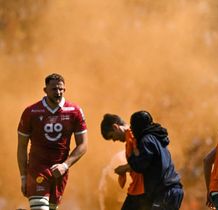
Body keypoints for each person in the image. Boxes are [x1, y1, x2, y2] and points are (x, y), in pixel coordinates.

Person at [17, 73, 88, 210]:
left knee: (51, 208)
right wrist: (24, 177)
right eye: (54, 89)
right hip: (37, 169)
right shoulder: (31, 112)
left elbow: (83, 145)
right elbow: (21, 147)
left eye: (61, 89)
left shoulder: (74, 111)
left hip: (60, 171)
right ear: (45, 90)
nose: (58, 92)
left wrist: (65, 166)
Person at [128, 110, 184, 210]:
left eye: (133, 125)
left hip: (165, 191)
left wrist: (132, 155)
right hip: (172, 190)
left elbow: (140, 165)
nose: (131, 128)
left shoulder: (146, 140)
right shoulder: (156, 137)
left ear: (139, 125)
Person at [100, 113, 150, 210]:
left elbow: (143, 161)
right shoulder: (129, 141)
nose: (114, 140)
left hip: (143, 191)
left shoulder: (134, 136)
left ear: (115, 127)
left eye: (112, 136)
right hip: (137, 191)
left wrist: (124, 168)